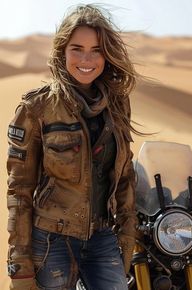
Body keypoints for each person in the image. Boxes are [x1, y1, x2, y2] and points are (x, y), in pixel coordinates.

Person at [6, 4, 139, 290]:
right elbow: (20, 191)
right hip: (51, 240)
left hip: (103, 238)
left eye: (96, 50)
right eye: (77, 48)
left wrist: (127, 239)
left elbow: (126, 176)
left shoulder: (117, 105)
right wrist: (19, 265)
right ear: (62, 52)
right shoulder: (36, 108)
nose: (86, 59)